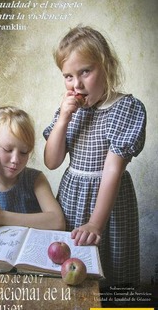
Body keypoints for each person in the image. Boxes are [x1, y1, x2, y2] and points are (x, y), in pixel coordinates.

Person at [43, 25, 146, 288]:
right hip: (71, 197)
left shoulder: (125, 108)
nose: (76, 84)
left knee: (111, 267)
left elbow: (112, 170)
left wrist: (95, 223)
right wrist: (64, 118)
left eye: (85, 72)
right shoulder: (69, 110)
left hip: (107, 204)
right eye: (68, 76)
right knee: (71, 266)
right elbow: (52, 162)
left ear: (107, 66)